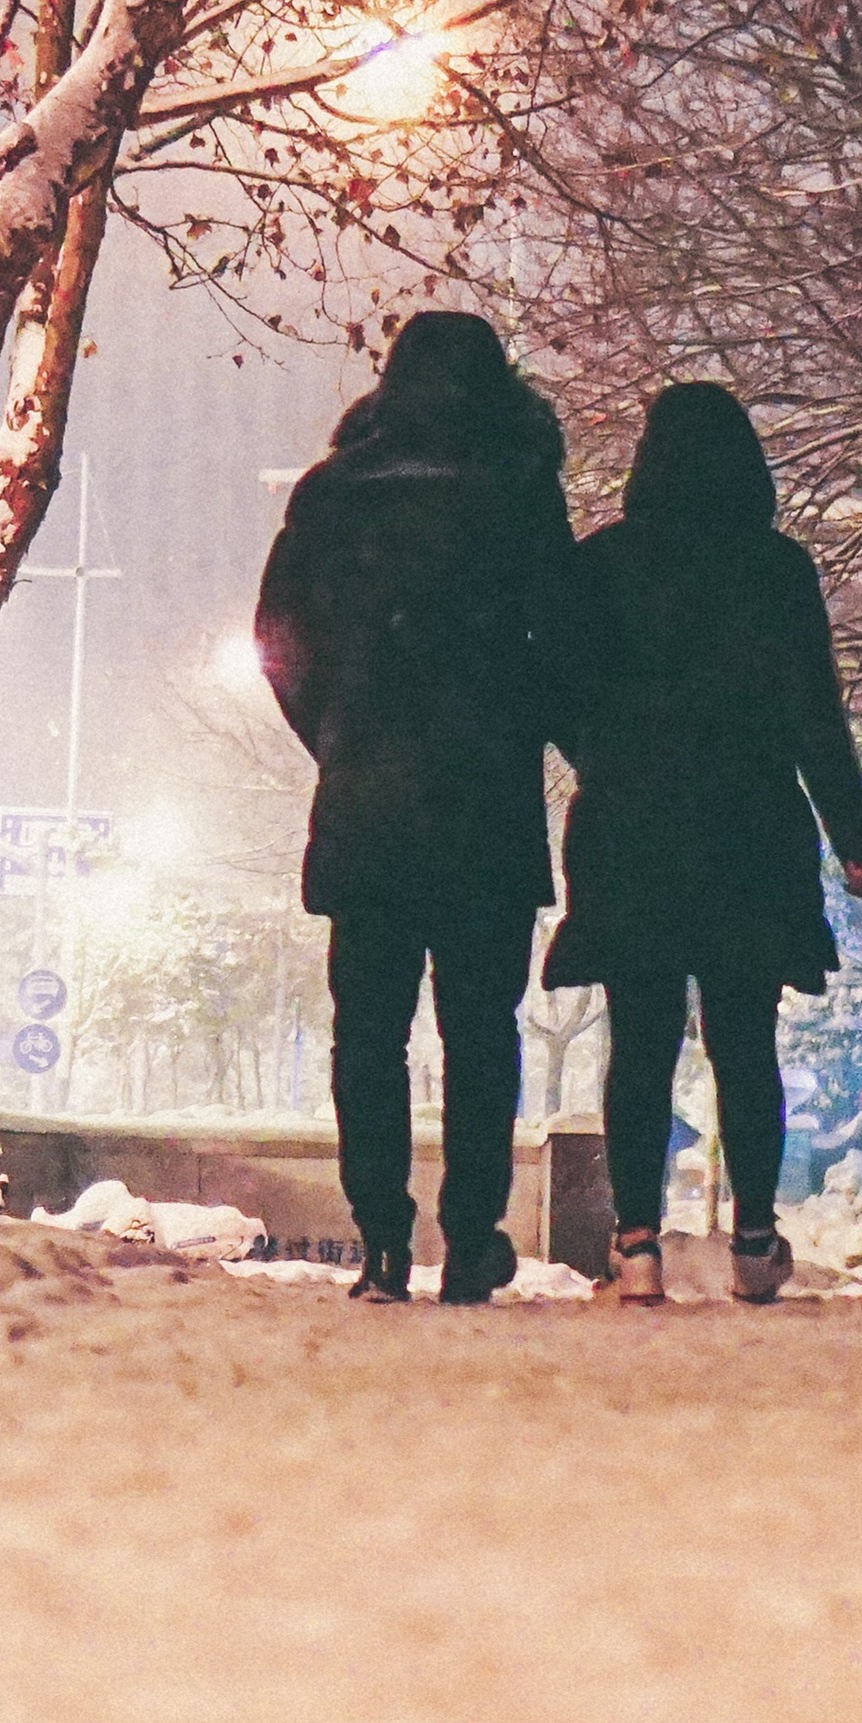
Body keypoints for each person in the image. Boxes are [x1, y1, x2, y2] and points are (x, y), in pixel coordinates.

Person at [253, 311, 577, 1305]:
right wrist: (521, 721)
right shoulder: (519, 492)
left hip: (370, 802)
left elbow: (276, 638)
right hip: (482, 803)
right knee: (482, 1028)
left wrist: (338, 732)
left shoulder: (332, 495)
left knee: (370, 1031)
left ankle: (381, 1239)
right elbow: (563, 639)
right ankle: (471, 1236)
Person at [543, 382, 862, 1305]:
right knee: (745, 1043)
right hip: (749, 830)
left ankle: (638, 1241)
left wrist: (612, 760)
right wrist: (854, 835)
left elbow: (564, 696)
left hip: (633, 830)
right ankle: (756, 1238)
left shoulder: (600, 565)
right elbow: (816, 712)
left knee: (642, 1043)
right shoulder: (777, 571)